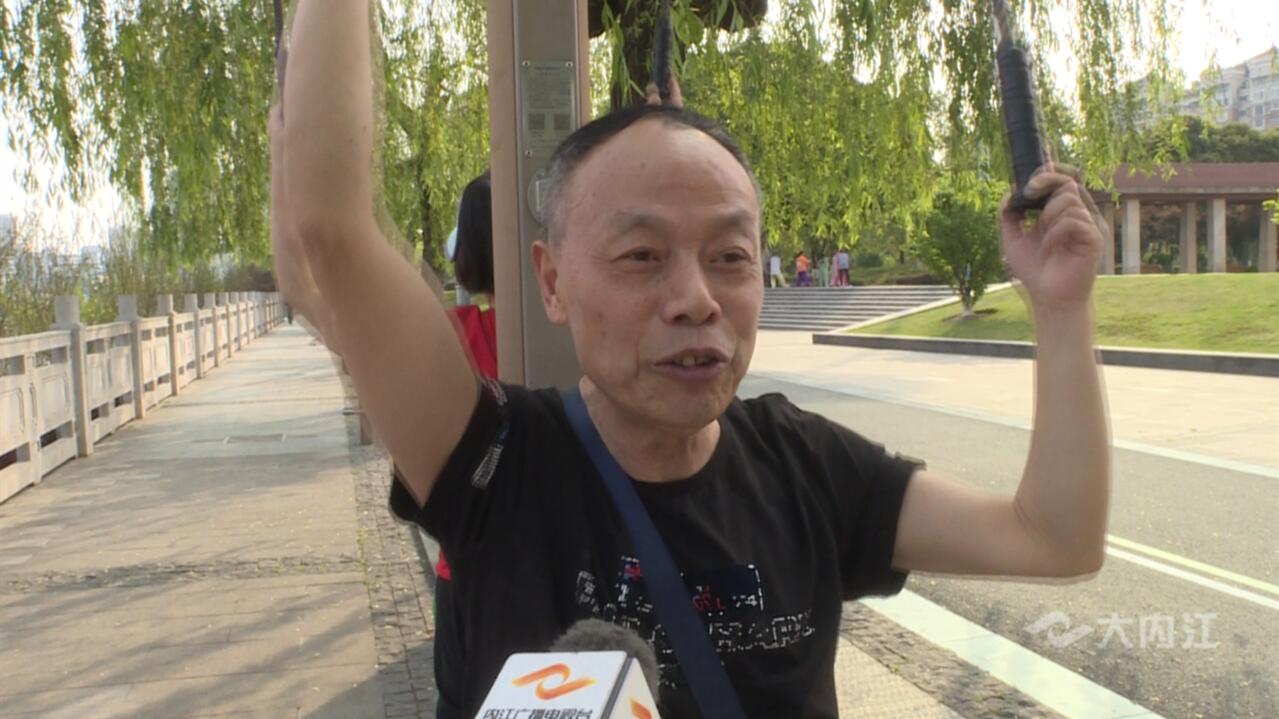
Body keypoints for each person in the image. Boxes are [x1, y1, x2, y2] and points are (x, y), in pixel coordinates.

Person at [274, 4, 1110, 716]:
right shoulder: (493, 462)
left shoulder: (808, 469)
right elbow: (330, 230)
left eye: (729, 257)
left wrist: (1061, 306)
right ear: (552, 281)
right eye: (642, 256)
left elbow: (1053, 538)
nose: (694, 298)